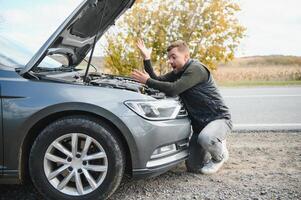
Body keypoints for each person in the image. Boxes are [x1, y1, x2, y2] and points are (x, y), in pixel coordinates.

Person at [131, 39, 232, 174]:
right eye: (169, 58)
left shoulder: (196, 69)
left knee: (206, 138)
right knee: (193, 167)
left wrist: (147, 81)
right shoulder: (178, 72)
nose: (170, 61)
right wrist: (146, 58)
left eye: (174, 57)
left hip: (219, 119)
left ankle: (219, 155)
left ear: (186, 56)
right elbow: (157, 80)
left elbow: (174, 89)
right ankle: (213, 141)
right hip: (199, 126)